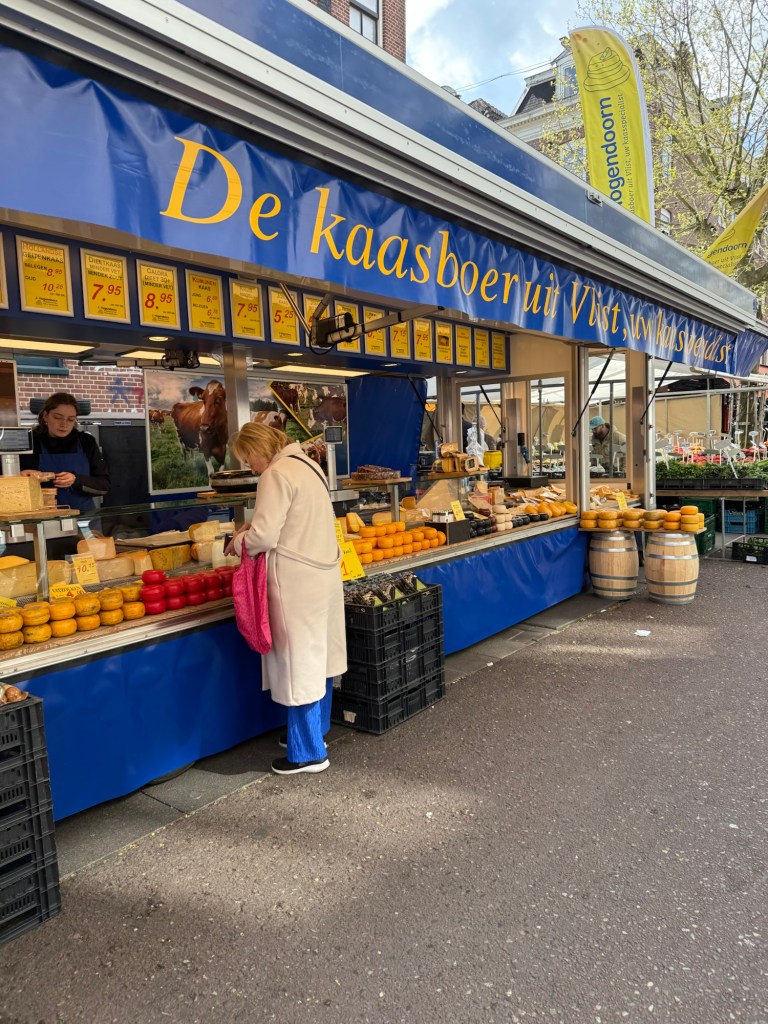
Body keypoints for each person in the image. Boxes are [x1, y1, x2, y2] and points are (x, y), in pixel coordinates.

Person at [225, 422, 347, 776]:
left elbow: (264, 537)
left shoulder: (275, 474)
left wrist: (238, 542)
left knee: (298, 665)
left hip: (295, 582)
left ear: (261, 449)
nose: (250, 466)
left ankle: (307, 752)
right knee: (318, 659)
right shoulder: (308, 464)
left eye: (248, 458)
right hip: (322, 575)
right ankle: (315, 732)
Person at [20, 392, 110, 511]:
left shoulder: (86, 442)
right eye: (58, 417)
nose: (64, 424)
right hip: (41, 519)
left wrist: (76, 480)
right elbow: (7, 484)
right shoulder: (30, 442)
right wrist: (21, 477)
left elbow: (103, 486)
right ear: (45, 416)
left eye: (70, 419)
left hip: (83, 519)